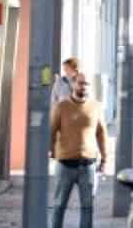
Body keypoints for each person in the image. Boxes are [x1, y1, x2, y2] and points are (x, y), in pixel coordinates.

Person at [50, 73, 106, 228]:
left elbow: (101, 134)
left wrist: (105, 158)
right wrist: (53, 151)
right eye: (80, 83)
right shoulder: (61, 106)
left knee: (87, 207)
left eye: (86, 84)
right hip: (65, 165)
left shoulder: (96, 107)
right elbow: (52, 131)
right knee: (59, 205)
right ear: (74, 85)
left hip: (88, 165)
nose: (83, 86)